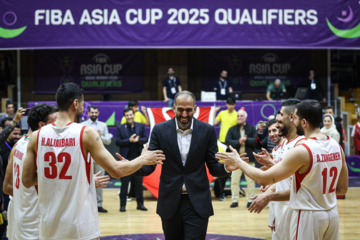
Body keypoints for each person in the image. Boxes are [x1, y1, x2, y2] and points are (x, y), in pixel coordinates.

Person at [21, 82, 165, 240]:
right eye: (82, 104)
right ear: (76, 103)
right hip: (80, 227)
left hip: (49, 226)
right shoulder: (85, 133)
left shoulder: (36, 136)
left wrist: (81, 180)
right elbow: (116, 171)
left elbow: (27, 181)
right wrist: (143, 159)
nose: (82, 108)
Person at [216, 99, 349, 240]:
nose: (293, 120)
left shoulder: (303, 150)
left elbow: (263, 178)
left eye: (295, 118)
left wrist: (237, 161)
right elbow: (342, 189)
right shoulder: (336, 146)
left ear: (304, 123)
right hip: (332, 214)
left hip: (308, 215)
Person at [135, 91, 237, 240]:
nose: (184, 114)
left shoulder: (207, 130)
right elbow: (150, 166)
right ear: (174, 108)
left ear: (195, 109)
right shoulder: (159, 130)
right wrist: (131, 166)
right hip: (170, 201)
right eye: (180, 109)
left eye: (188, 110)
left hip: (197, 201)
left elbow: (213, 166)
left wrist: (228, 168)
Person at [249, 99, 306, 240]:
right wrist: (270, 186)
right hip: (279, 202)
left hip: (292, 204)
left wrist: (238, 161)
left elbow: (292, 179)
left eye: (279, 123)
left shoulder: (301, 144)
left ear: (292, 118)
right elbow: (282, 177)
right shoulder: (282, 145)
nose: (277, 127)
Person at [81, 105, 113, 213]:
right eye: (92, 112)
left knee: (100, 180)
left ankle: (99, 204)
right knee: (85, 181)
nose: (94, 114)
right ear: (88, 113)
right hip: (86, 157)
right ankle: (85, 204)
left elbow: (108, 141)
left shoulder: (103, 125)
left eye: (96, 112)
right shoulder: (82, 125)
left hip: (100, 158)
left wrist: (100, 137)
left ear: (98, 113)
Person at [116, 108, 148, 212]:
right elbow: (118, 142)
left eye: (130, 115)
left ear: (134, 115)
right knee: (124, 184)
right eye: (127, 115)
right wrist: (129, 141)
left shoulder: (141, 126)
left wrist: (138, 140)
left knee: (139, 184)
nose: (129, 117)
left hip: (138, 160)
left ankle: (140, 204)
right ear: (124, 117)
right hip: (125, 161)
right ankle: (122, 205)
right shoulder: (120, 127)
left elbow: (145, 139)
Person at [225, 108, 256, 208]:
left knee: (250, 181)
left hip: (249, 160)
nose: (239, 117)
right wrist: (239, 141)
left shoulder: (251, 129)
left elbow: (256, 141)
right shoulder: (232, 129)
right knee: (234, 181)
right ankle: (235, 200)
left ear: (246, 117)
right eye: (238, 116)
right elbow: (228, 142)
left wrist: (245, 140)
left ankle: (250, 200)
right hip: (236, 161)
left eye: (241, 116)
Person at [213, 97, 237, 201]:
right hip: (221, 144)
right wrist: (214, 111)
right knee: (219, 169)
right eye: (229, 104)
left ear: (234, 105)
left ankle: (223, 192)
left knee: (228, 172)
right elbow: (214, 123)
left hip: (231, 146)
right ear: (226, 104)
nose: (230, 106)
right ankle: (219, 192)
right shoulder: (222, 113)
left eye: (232, 104)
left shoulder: (237, 115)